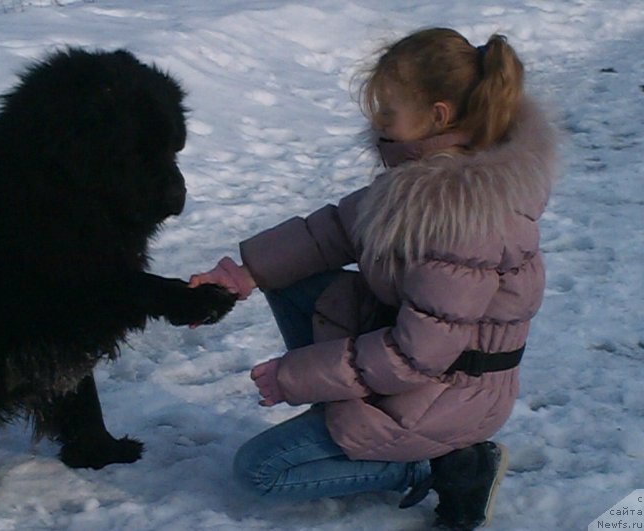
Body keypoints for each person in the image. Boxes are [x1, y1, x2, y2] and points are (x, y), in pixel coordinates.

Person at [189, 27, 557, 530]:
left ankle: (448, 466)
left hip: (449, 393)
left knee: (261, 471)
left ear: (438, 116)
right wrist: (244, 273)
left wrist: (293, 376)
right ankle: (348, 415)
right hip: (411, 360)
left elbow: (415, 356)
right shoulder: (429, 174)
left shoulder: (466, 222)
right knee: (293, 278)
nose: (377, 123)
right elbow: (336, 230)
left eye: (387, 112)